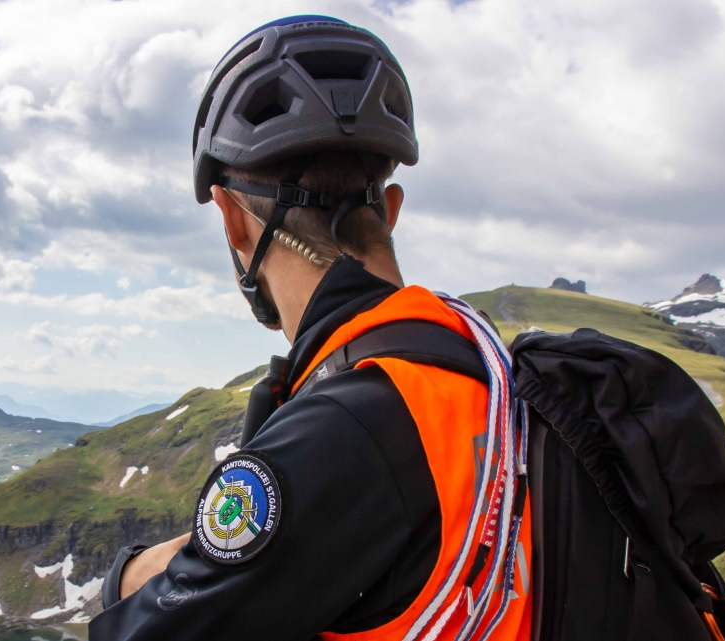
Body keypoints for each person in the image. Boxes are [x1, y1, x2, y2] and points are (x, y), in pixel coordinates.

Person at [89, 15, 532, 641]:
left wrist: (124, 579)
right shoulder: (482, 364)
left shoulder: (349, 428)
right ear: (392, 211)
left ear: (232, 222)